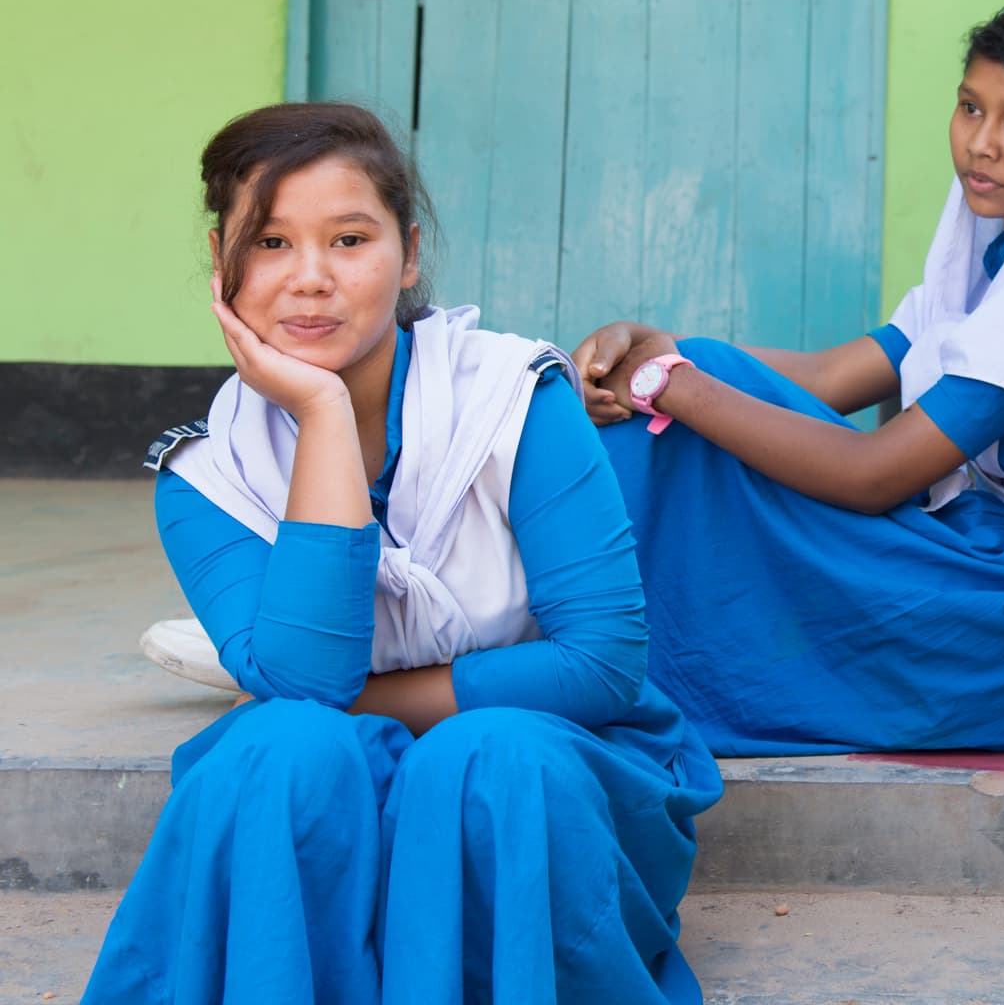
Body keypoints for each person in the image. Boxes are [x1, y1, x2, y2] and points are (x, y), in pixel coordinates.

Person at [87, 104, 720, 1005]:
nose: (311, 280)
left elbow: (602, 666)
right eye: (269, 245)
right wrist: (321, 418)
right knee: (279, 750)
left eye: (348, 240)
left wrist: (374, 707)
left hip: (539, 789)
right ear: (222, 265)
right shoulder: (204, 475)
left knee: (483, 755)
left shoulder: (515, 399)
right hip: (341, 785)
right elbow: (309, 685)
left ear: (409, 252)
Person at [574, 0, 1004, 762]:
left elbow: (872, 474)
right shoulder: (998, 254)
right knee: (707, 386)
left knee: (696, 413)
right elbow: (834, 375)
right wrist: (665, 346)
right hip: (1000, 556)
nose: (981, 144)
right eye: (970, 108)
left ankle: (596, 659)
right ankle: (596, 646)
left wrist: (670, 384)